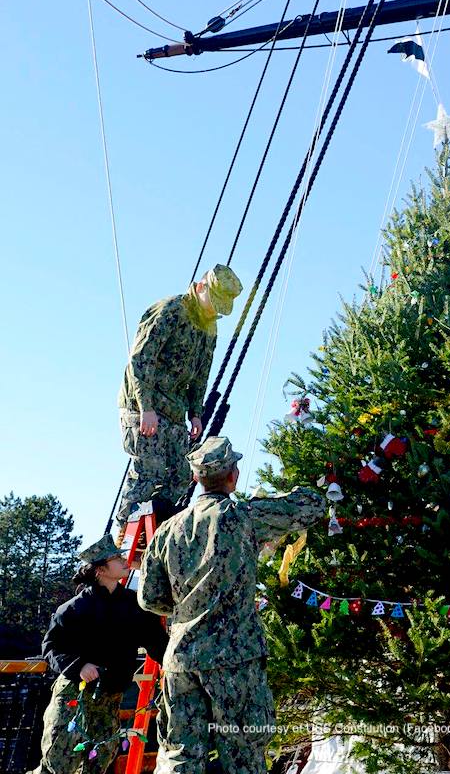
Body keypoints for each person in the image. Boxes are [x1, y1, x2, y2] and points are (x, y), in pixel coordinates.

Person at [137, 436, 325, 774]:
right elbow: (311, 506)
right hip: (234, 659)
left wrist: (189, 610)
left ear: (196, 478)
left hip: (180, 659)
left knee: (180, 756)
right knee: (242, 755)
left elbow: (150, 598)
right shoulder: (244, 516)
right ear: (233, 476)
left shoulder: (167, 531)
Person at [29, 535, 168, 774]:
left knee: (100, 762)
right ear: (101, 570)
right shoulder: (74, 608)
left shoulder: (135, 605)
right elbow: (51, 647)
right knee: (58, 764)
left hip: (110, 697)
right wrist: (79, 666)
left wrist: (174, 664)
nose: (124, 560)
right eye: (116, 558)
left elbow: (157, 642)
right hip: (74, 696)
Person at [117, 264, 243, 523]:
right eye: (214, 302)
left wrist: (196, 414)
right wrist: (146, 408)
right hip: (144, 406)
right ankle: (123, 537)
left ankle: (156, 530)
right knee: (148, 471)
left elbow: (201, 375)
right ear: (200, 287)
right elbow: (141, 360)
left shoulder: (209, 329)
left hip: (174, 411)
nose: (215, 311)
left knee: (182, 474)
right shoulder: (170, 311)